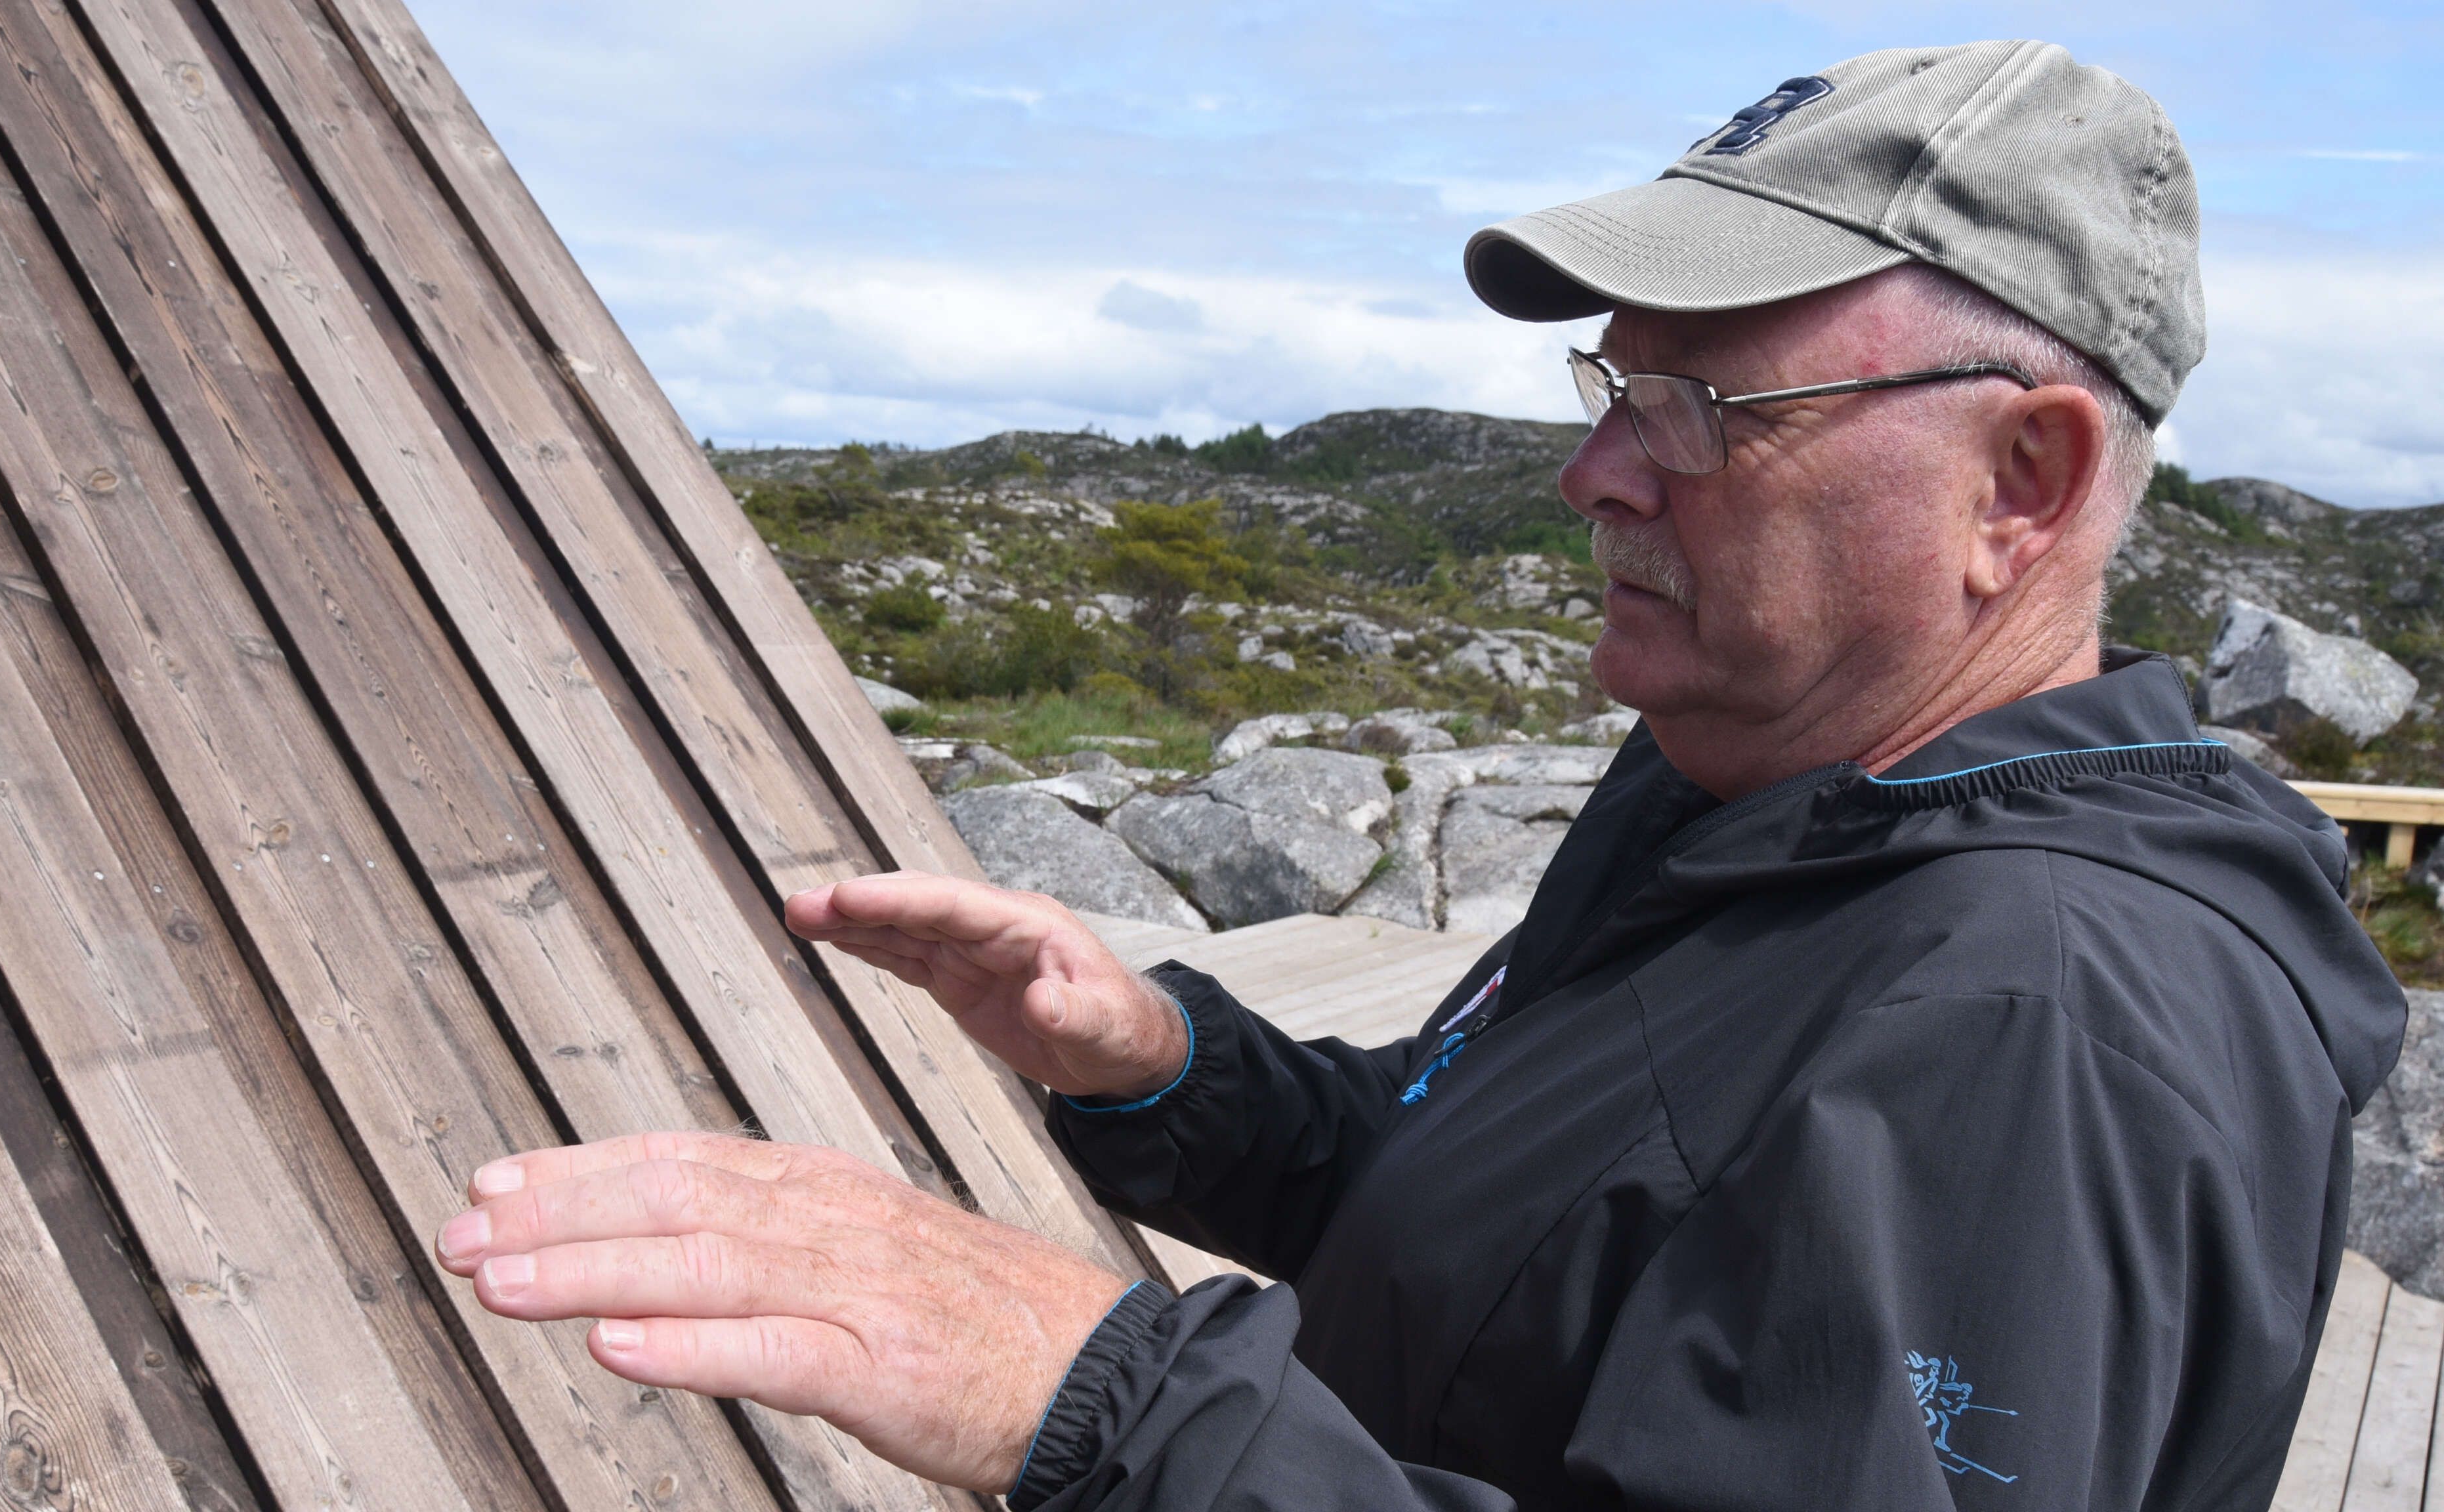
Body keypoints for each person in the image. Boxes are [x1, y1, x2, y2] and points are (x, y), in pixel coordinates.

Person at [433, 41, 2406, 1509]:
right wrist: (1173, 1073)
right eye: (1611, 386)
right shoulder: (1753, 796)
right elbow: (1513, 1237)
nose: (1595, 471)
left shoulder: (2033, 1025)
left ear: (2026, 480)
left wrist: (1100, 1402)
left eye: (1699, 406)